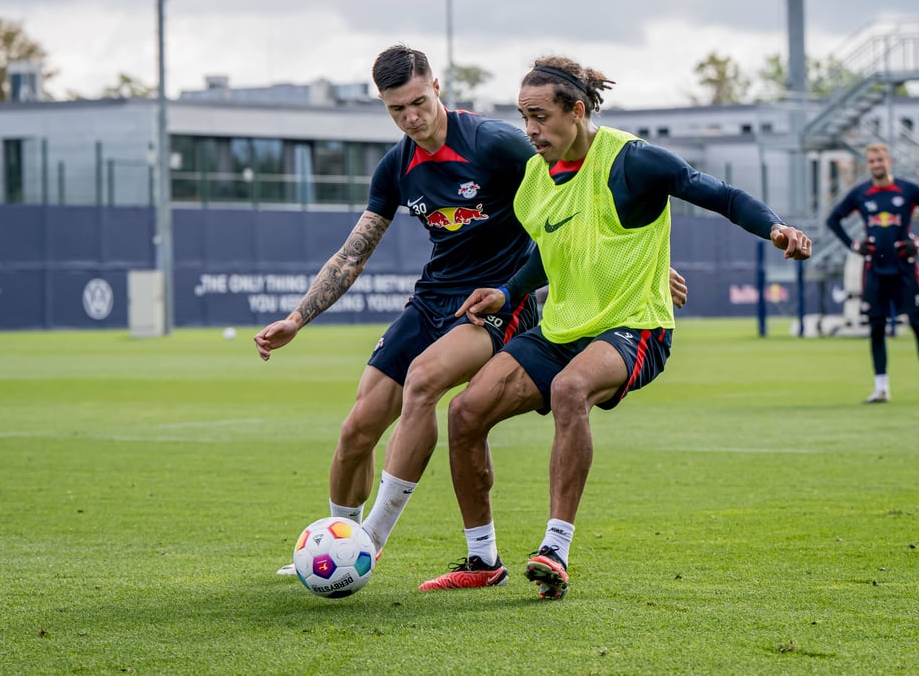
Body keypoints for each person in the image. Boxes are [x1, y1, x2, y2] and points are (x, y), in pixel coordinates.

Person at [254, 45, 690, 579]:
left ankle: (369, 543)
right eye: (396, 110)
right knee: (356, 431)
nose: (411, 118)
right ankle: (336, 542)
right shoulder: (396, 167)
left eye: (418, 102)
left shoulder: (496, 142)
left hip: (497, 300)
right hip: (432, 298)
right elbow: (353, 252)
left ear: (437, 87)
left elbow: (581, 192)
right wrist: (298, 318)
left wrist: (637, 264)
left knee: (423, 381)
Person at [416, 56, 812, 599]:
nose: (529, 130)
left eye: (538, 116)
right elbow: (548, 249)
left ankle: (554, 549)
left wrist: (775, 228)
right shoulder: (535, 178)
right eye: (522, 116)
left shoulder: (632, 161)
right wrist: (509, 292)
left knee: (569, 390)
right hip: (562, 329)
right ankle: (482, 558)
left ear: (576, 111)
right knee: (464, 413)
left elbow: (719, 194)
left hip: (636, 326)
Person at [826, 142, 919, 404]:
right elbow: (833, 219)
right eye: (871, 161)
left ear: (889, 161)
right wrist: (853, 245)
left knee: (918, 325)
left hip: (905, 269)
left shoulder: (906, 190)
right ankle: (881, 388)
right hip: (875, 270)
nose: (876, 165)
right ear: (868, 165)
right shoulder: (861, 194)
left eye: (880, 160)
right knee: (876, 328)